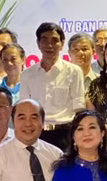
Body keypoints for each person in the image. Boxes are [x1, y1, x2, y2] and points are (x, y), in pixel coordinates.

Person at [20, 22, 86, 151]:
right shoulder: (27, 74)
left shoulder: (74, 71)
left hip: (65, 134)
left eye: (55, 40)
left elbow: (79, 108)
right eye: (44, 40)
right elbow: (24, 108)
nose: (49, 45)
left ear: (61, 44)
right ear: (38, 44)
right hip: (37, 134)